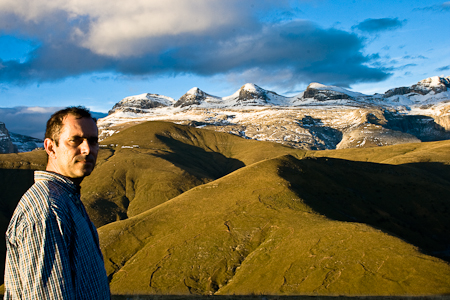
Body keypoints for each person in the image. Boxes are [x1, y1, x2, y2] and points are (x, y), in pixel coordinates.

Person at [4, 106, 111, 299]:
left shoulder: (65, 198)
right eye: (75, 140)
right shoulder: (48, 210)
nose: (87, 149)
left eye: (93, 141)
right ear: (51, 147)